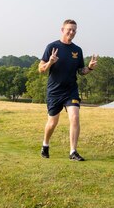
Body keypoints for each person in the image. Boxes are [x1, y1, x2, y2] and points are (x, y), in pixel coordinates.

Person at [39, 19, 98, 161]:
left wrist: (89, 68)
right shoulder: (52, 47)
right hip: (54, 91)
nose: (71, 32)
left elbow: (81, 71)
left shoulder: (77, 50)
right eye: (69, 29)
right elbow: (40, 69)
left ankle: (73, 152)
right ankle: (45, 145)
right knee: (52, 123)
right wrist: (50, 62)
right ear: (62, 30)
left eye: (74, 30)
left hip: (71, 90)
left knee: (75, 117)